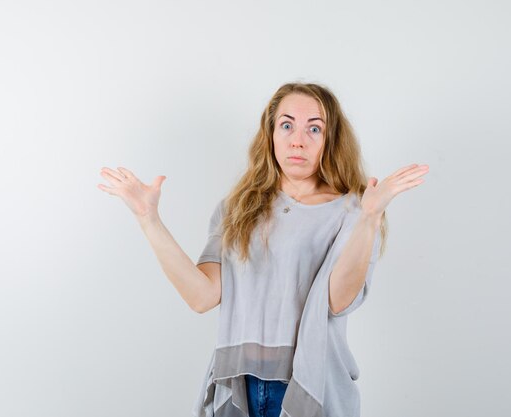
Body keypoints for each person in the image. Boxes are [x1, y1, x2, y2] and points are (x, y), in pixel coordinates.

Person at [98, 82, 429, 417]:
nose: (298, 140)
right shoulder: (238, 208)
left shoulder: (352, 211)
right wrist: (148, 218)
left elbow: (338, 300)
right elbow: (201, 296)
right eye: (287, 125)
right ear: (270, 134)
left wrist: (370, 217)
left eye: (314, 128)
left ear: (331, 139)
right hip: (240, 383)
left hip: (308, 385)